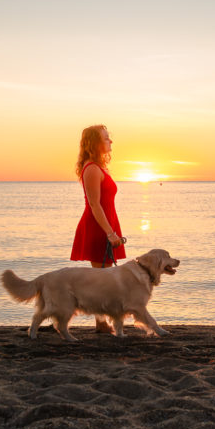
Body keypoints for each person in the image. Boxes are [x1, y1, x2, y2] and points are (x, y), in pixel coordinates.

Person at [70, 125, 126, 331]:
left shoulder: (99, 167)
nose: (110, 141)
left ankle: (102, 322)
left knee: (104, 279)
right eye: (106, 138)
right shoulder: (92, 168)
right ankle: (101, 323)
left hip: (106, 224)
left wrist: (112, 230)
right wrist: (109, 233)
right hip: (98, 227)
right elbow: (94, 204)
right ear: (95, 143)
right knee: (102, 279)